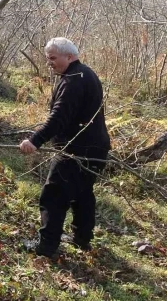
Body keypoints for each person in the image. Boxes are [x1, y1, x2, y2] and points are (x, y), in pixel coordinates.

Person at [19, 37, 110, 257]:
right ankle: (82, 239)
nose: (49, 63)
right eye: (47, 58)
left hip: (76, 150)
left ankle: (46, 247)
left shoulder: (73, 81)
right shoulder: (84, 73)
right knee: (83, 193)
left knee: (53, 195)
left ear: (69, 56)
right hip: (97, 148)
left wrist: (35, 140)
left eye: (52, 58)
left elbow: (59, 117)